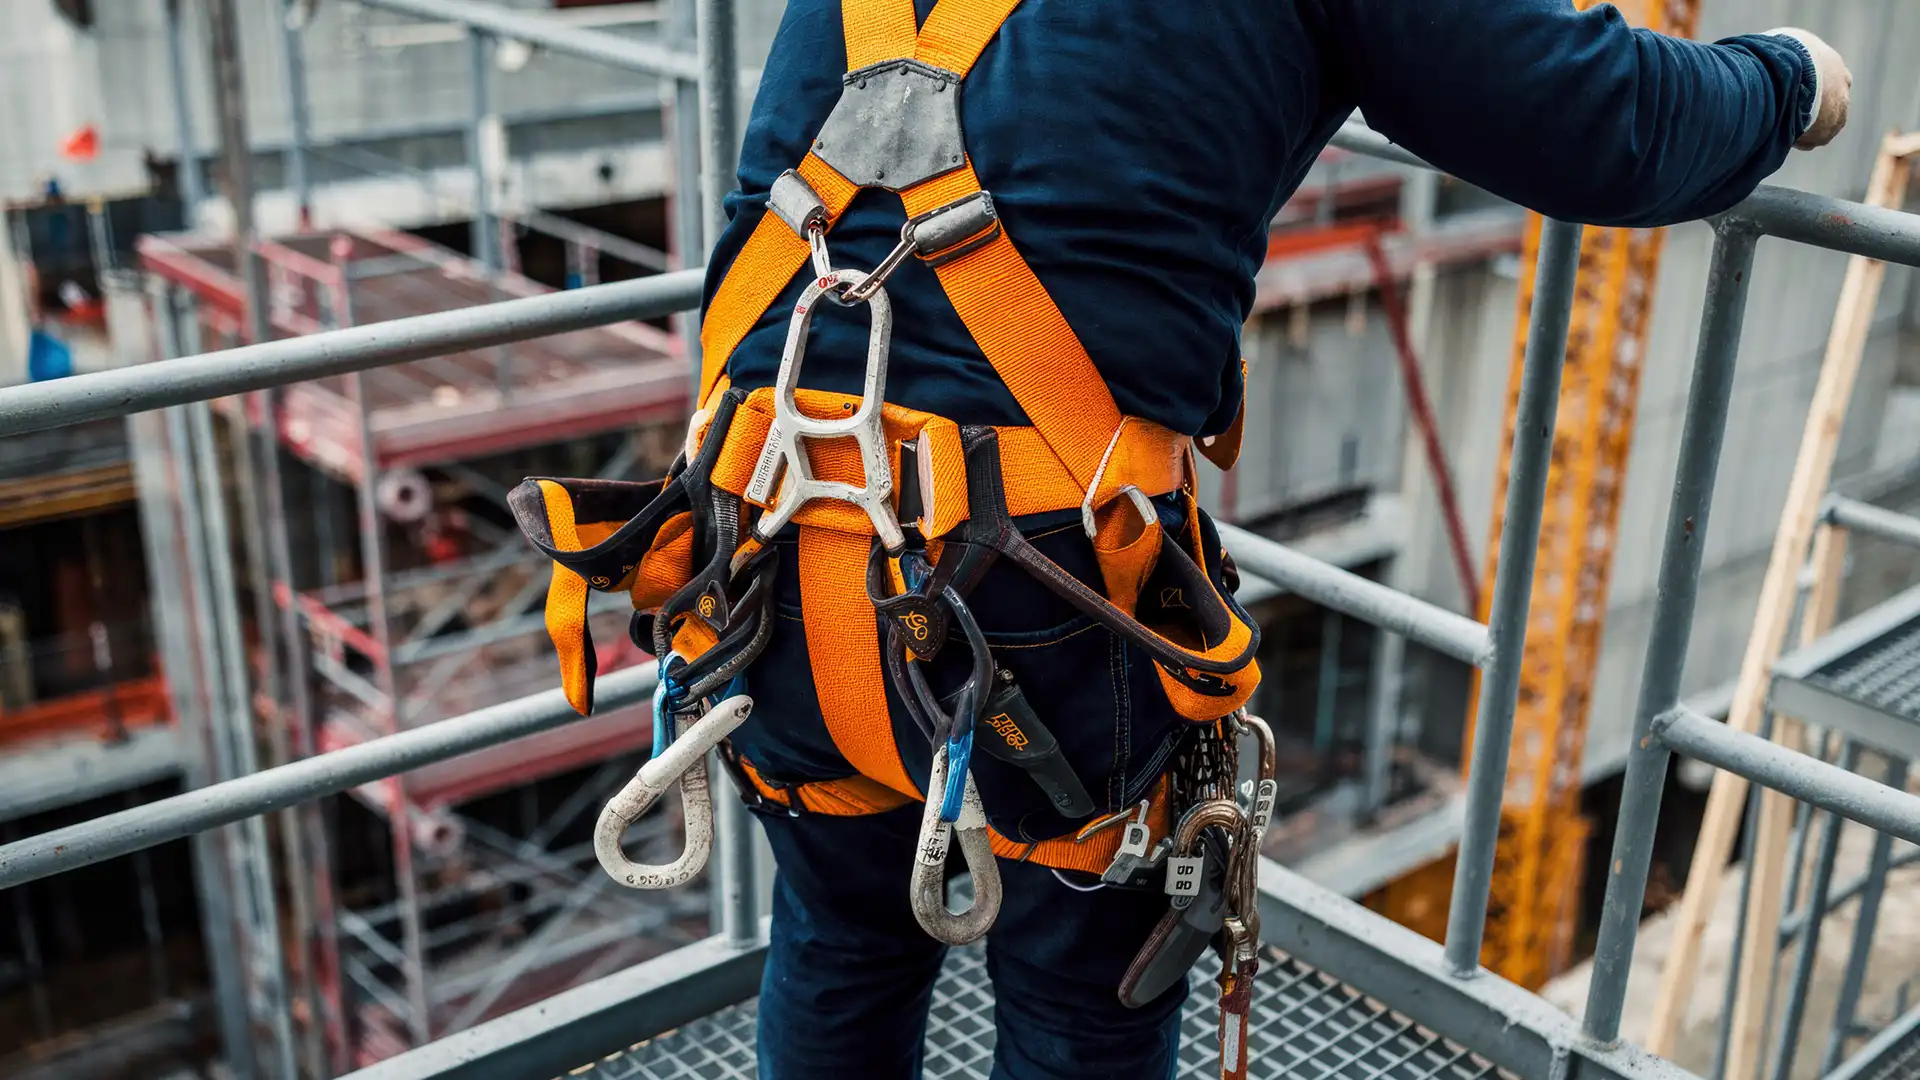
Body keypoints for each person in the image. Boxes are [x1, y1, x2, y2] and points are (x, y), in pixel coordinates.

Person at [541, 3, 1853, 1077]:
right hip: (1030, 578)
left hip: (755, 529)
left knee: (842, 939)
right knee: (1076, 1010)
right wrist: (1790, 79)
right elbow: (1604, 123)